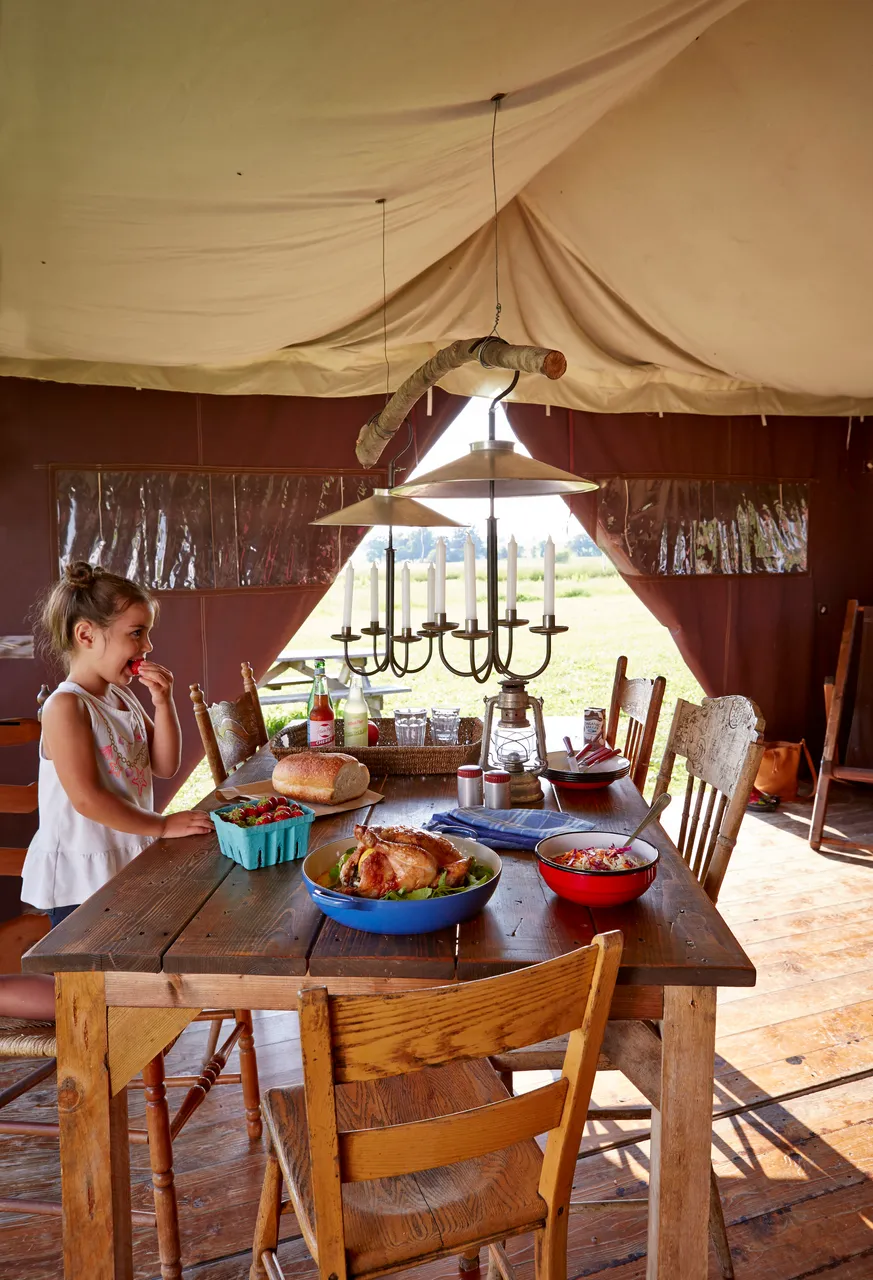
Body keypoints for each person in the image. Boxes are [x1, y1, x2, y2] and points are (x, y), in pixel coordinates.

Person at [21, 561, 213, 928]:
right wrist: (161, 825)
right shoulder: (66, 706)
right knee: (92, 982)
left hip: (123, 863)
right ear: (87, 635)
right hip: (81, 880)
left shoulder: (122, 698)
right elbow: (86, 799)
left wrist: (162, 702)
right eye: (137, 633)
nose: (148, 645)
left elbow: (164, 764)